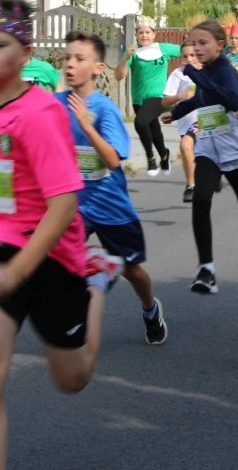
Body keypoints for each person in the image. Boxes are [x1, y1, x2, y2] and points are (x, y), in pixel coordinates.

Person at [0, 0, 125, 470]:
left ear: (24, 54)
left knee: (72, 378)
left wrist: (21, 269)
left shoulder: (40, 113)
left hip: (51, 256)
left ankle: (97, 282)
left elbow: (63, 205)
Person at [58, 30, 168, 346]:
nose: (69, 65)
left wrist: (86, 126)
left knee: (132, 270)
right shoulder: (55, 104)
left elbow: (111, 160)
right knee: (63, 262)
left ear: (97, 68)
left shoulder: (105, 110)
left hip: (110, 206)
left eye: (79, 59)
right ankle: (78, 316)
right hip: (73, 206)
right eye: (66, 58)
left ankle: (150, 310)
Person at [162, 20, 238, 295]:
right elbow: (201, 99)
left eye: (203, 43)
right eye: (193, 43)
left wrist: (195, 74)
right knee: (201, 200)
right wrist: (177, 112)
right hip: (207, 149)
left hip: (234, 152)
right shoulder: (205, 73)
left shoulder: (224, 70)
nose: (196, 48)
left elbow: (230, 100)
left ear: (220, 45)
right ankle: (207, 270)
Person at [114, 23, 180, 176]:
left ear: (154, 34)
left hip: (159, 96)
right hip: (138, 99)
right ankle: (164, 155)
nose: (144, 35)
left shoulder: (164, 48)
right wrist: (126, 57)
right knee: (153, 128)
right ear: (136, 35)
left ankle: (150, 158)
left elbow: (186, 51)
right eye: (141, 33)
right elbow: (119, 76)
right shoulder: (133, 52)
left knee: (140, 122)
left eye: (147, 32)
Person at [163, 40, 201, 202]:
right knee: (190, 151)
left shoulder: (208, 71)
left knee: (186, 145)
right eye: (185, 56)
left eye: (193, 55)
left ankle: (191, 186)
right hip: (185, 122)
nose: (189, 59)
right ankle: (201, 179)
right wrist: (181, 96)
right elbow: (165, 102)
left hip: (205, 120)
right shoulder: (178, 74)